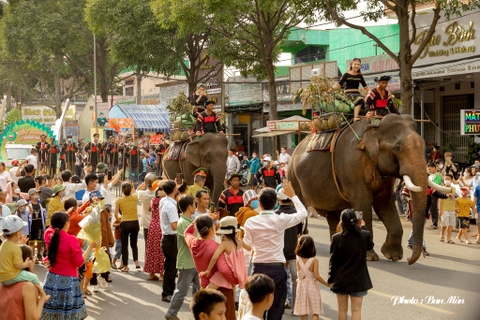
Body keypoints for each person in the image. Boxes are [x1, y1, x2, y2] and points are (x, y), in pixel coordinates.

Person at [243, 180, 308, 320]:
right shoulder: (281, 220)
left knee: (257, 311)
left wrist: (244, 273)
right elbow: (303, 213)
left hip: (258, 269)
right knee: (276, 311)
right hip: (277, 271)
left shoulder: (250, 222)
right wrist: (293, 195)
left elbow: (247, 250)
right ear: (275, 204)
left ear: (260, 204)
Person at [42, 211, 97, 319]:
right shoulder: (72, 240)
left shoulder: (51, 237)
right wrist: (90, 247)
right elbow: (79, 262)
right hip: (68, 282)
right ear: (66, 223)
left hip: (51, 279)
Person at [185, 215, 238, 319]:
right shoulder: (216, 248)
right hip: (221, 292)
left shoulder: (193, 243)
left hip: (204, 288)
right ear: (212, 228)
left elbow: (186, 233)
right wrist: (235, 280)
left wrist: (196, 220)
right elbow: (224, 270)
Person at [328, 209, 373, 320]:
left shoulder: (336, 238)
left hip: (341, 278)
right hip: (359, 279)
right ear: (357, 221)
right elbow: (370, 247)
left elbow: (333, 261)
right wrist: (363, 227)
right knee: (356, 310)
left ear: (342, 222)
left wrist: (330, 278)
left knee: (342, 309)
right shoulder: (364, 235)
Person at [165, 195, 201, 320]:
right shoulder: (183, 223)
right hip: (187, 262)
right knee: (181, 291)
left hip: (194, 262)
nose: (196, 206)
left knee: (199, 289)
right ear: (189, 206)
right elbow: (192, 242)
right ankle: (171, 313)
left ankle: (198, 313)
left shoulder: (190, 221)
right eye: (194, 204)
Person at [199, 216, 249, 289]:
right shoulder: (240, 242)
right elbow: (249, 248)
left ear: (224, 233)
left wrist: (208, 270)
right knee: (232, 290)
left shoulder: (225, 244)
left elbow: (215, 256)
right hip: (238, 274)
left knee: (207, 292)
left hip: (227, 273)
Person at [0, 245, 48, 320]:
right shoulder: (28, 286)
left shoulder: (3, 282)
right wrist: (42, 298)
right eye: (33, 258)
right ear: (28, 260)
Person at [275, 187, 303, 311]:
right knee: (295, 279)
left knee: (279, 280)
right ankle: (295, 306)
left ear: (279, 199)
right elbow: (300, 233)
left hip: (278, 252)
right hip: (293, 251)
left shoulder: (275, 215)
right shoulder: (297, 215)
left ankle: (279, 305)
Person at [294, 235, 329, 319]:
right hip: (312, 287)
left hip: (301, 287)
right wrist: (327, 284)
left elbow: (299, 273)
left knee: (303, 312)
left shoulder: (297, 258)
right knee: (315, 312)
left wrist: (299, 279)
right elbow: (316, 276)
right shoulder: (314, 260)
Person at [0, 215, 40, 286]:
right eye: (21, 230)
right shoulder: (15, 247)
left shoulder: (3, 244)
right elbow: (18, 265)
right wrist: (26, 264)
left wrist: (21, 245)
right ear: (18, 233)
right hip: (11, 276)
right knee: (34, 277)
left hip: (2, 277)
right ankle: (41, 294)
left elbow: (10, 252)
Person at [114, 181, 141, 272]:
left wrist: (119, 220)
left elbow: (115, 214)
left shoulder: (119, 200)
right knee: (134, 244)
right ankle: (136, 262)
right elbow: (136, 191)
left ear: (122, 190)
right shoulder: (134, 198)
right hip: (134, 222)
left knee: (125, 245)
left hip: (125, 223)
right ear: (131, 189)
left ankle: (126, 266)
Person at [160, 180, 179, 302]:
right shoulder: (171, 206)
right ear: (174, 190)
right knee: (170, 268)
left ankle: (170, 291)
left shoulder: (164, 200)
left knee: (171, 267)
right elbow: (174, 226)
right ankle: (167, 292)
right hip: (171, 238)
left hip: (167, 237)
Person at [144, 182, 166, 281]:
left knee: (152, 250)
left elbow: (149, 209)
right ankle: (161, 274)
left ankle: (151, 273)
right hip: (162, 226)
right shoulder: (165, 201)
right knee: (161, 251)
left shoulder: (154, 199)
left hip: (152, 226)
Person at [137, 173, 157, 244]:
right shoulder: (158, 194)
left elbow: (137, 190)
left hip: (146, 223)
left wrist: (145, 183)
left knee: (147, 244)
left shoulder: (143, 194)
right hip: (157, 224)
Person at [439, 174, 458, 244]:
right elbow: (440, 199)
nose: (447, 180)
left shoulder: (453, 189)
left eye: (448, 179)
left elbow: (453, 199)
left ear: (451, 180)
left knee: (450, 224)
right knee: (444, 223)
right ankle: (442, 235)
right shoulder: (442, 188)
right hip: (444, 208)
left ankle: (449, 238)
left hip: (452, 209)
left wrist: (456, 207)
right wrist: (440, 209)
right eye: (445, 179)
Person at [426, 162, 442, 230]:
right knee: (431, 208)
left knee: (433, 207)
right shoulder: (430, 176)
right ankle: (433, 222)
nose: (429, 170)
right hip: (429, 192)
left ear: (434, 168)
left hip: (434, 192)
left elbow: (436, 184)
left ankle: (435, 223)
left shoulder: (437, 175)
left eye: (430, 169)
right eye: (428, 169)